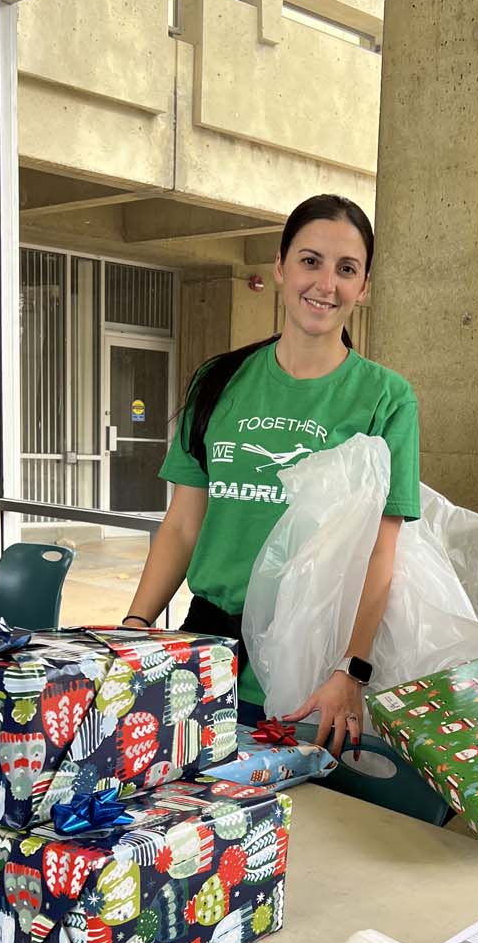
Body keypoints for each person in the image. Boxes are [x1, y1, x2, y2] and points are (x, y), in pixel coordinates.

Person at [121, 193, 420, 756]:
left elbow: (382, 550)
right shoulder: (218, 380)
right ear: (280, 267)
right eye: (310, 261)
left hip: (308, 663)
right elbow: (183, 524)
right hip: (205, 650)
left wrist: (351, 668)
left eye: (346, 269)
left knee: (290, 809)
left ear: (364, 286)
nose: (325, 284)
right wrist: (136, 623)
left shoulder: (386, 398)